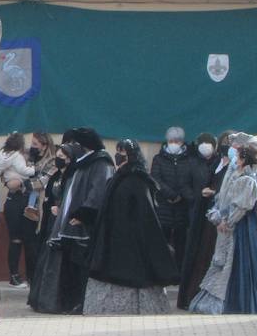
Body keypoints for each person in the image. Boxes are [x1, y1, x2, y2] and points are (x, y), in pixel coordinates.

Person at [190, 136, 257, 314]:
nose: (235, 157)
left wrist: (227, 221)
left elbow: (241, 206)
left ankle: (236, 302)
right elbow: (224, 199)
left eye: (238, 154)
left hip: (241, 229)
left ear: (244, 159)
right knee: (222, 261)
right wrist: (218, 216)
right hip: (228, 226)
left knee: (235, 263)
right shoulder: (235, 174)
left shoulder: (248, 180)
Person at [84, 140, 179, 314]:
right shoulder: (116, 178)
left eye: (123, 153)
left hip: (133, 239)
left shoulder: (139, 180)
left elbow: (146, 213)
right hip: (113, 237)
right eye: (118, 152)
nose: (119, 156)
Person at [28, 128, 115, 314]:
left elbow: (97, 192)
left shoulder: (101, 163)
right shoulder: (84, 163)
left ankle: (80, 302)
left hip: (84, 227)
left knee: (81, 266)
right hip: (69, 224)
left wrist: (83, 214)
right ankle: (71, 302)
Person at [179, 131, 231, 309]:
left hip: (221, 218)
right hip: (206, 215)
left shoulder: (232, 166)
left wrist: (215, 193)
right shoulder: (216, 163)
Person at [0, 132, 36, 286]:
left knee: (15, 240)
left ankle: (14, 274)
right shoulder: (17, 157)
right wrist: (34, 170)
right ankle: (17, 276)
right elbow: (25, 171)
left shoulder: (2, 155)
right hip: (19, 201)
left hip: (12, 202)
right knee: (21, 240)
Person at [150, 127, 193, 266]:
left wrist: (181, 195)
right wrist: (169, 194)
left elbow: (189, 180)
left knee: (181, 241)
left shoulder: (189, 160)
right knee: (162, 240)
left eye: (176, 141)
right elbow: (156, 178)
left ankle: (180, 272)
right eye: (171, 140)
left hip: (182, 206)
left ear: (182, 142)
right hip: (163, 205)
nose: (173, 143)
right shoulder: (158, 159)